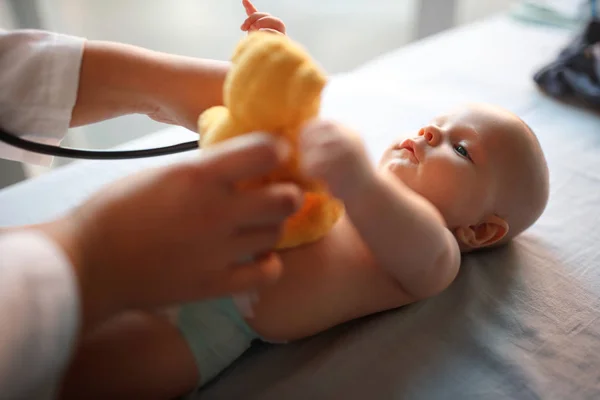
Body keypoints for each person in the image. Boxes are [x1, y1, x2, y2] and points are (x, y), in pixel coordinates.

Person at [57, 2, 551, 400]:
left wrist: (356, 176)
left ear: (480, 231)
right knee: (55, 304)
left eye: (460, 148)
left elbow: (389, 220)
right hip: (170, 245)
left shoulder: (435, 254)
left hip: (209, 320)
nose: (428, 132)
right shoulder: (346, 178)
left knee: (79, 374)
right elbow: (283, 130)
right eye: (436, 123)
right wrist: (273, 64)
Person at [0, 4, 307, 399]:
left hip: (214, 318)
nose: (416, 131)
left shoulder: (403, 236)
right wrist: (89, 253)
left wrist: (158, 83)